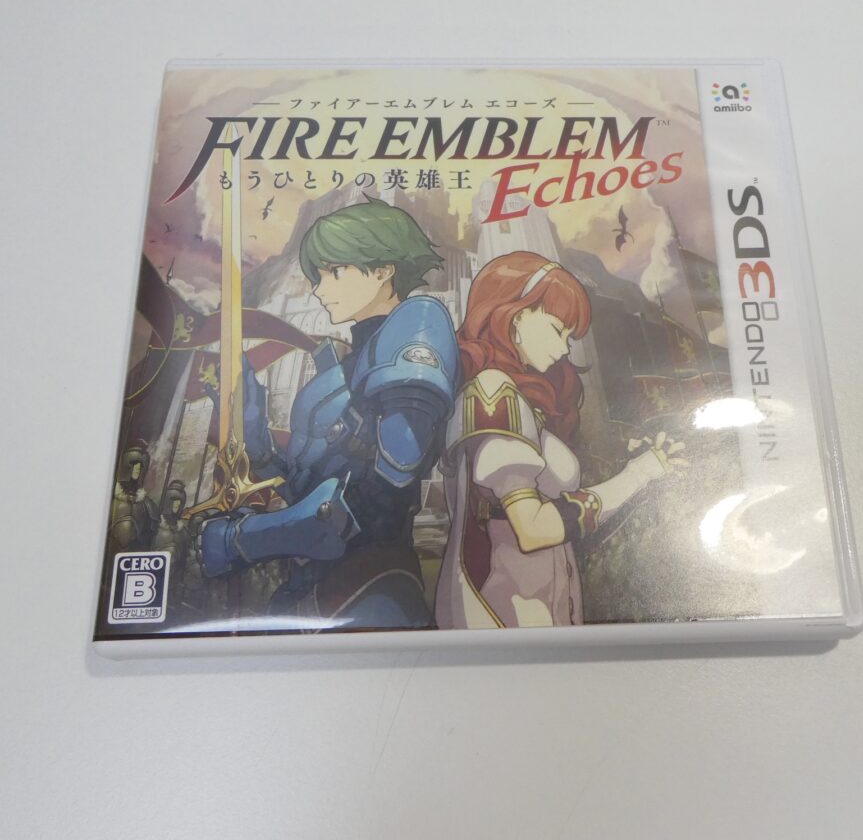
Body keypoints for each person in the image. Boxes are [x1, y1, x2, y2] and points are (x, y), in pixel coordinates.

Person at [197, 197, 459, 629]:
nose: (320, 288)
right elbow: (309, 483)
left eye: (334, 272)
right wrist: (256, 438)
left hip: (372, 587)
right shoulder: (345, 366)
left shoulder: (418, 326)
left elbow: (379, 497)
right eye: (318, 275)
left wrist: (243, 539)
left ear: (383, 270)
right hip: (313, 586)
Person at [435, 251, 684, 629]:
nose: (565, 349)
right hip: (504, 613)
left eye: (569, 337)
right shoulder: (492, 393)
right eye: (556, 329)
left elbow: (568, 524)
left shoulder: (518, 400)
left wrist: (632, 476)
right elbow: (533, 529)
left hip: (540, 607)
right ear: (516, 316)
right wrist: (636, 475)